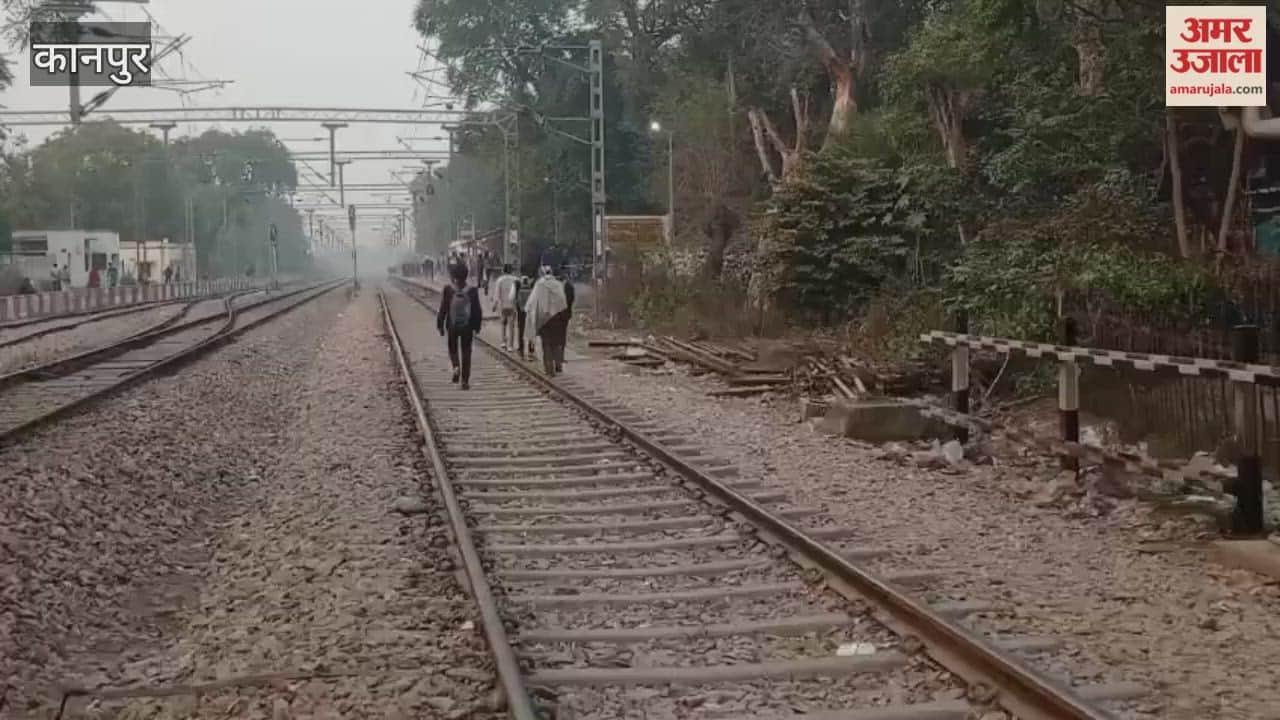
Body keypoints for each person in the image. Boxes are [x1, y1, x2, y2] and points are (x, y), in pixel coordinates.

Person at [437, 263, 483, 390]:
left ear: (453, 275)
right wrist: (477, 326)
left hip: (452, 325)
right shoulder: (472, 290)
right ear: (466, 275)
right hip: (467, 326)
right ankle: (465, 381)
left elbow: (443, 309)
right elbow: (477, 310)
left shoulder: (448, 289)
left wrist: (440, 324)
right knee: (466, 351)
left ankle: (456, 366)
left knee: (453, 348)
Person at [525, 266, 569, 376]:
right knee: (556, 343)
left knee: (546, 344)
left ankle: (549, 369)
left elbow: (532, 301)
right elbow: (563, 301)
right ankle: (558, 365)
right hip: (557, 318)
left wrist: (530, 314)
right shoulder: (558, 285)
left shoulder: (539, 284)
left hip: (543, 319)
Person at [553, 264, 576, 374]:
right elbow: (572, 300)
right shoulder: (568, 286)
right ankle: (559, 357)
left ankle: (558, 357)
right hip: (561, 314)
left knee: (560, 336)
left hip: (559, 314)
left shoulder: (555, 286)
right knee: (560, 335)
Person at [493, 264, 519, 351]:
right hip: (512, 305)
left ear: (503, 271)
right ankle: (510, 346)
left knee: (503, 324)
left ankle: (503, 341)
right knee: (512, 326)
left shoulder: (500, 280)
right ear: (511, 270)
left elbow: (496, 294)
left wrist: (495, 304)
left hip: (503, 305)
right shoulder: (516, 280)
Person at [515, 274, 534, 360]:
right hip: (530, 313)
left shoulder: (520, 291)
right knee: (530, 331)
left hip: (522, 313)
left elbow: (518, 302)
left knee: (521, 332)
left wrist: (520, 309)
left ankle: (521, 348)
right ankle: (531, 348)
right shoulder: (531, 291)